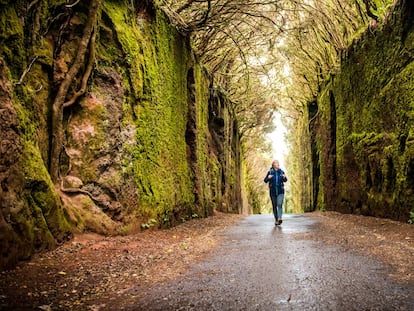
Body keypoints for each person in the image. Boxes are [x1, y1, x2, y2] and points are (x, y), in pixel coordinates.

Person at [264, 160, 287, 226]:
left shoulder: (281, 171)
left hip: (280, 191)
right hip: (273, 191)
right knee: (274, 206)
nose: (278, 164)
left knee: (279, 204)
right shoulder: (270, 172)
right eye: (277, 163)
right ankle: (276, 219)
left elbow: (285, 180)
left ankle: (280, 218)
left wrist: (284, 177)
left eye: (278, 163)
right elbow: (265, 180)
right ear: (273, 165)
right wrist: (268, 178)